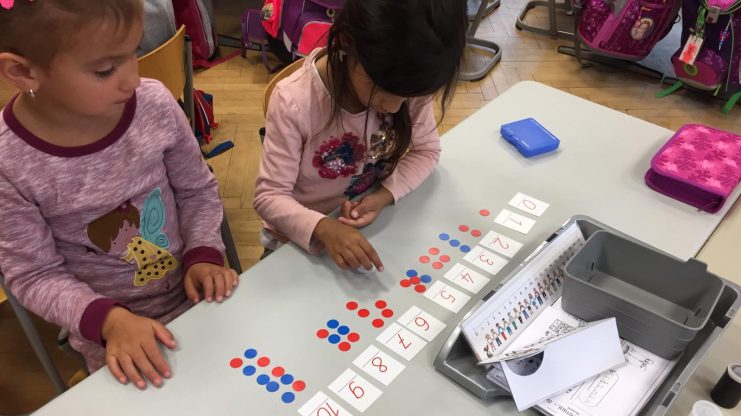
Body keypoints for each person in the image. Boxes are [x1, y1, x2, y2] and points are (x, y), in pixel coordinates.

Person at [0, 0, 238, 389]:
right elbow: (34, 274)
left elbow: (196, 189)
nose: (133, 78)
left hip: (198, 296)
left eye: (134, 52)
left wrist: (204, 252)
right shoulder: (9, 163)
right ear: (22, 71)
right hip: (112, 335)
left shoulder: (154, 103)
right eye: (105, 70)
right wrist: (108, 321)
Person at [253, 0, 468, 271]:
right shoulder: (294, 102)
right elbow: (269, 197)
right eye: (386, 91)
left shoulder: (411, 77)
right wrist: (324, 228)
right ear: (346, 41)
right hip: (296, 242)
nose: (394, 108)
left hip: (368, 225)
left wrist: (383, 195)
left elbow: (426, 151)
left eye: (406, 98)